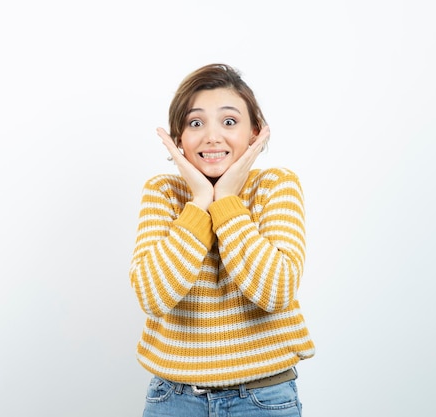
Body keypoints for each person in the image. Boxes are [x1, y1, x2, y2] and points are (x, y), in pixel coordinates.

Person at [129, 63, 315, 416]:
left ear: (255, 133)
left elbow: (276, 290)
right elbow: (153, 295)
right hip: (174, 399)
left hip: (263, 398)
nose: (212, 136)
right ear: (178, 137)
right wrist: (200, 202)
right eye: (195, 123)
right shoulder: (163, 192)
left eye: (229, 122)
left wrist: (227, 200)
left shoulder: (275, 185)